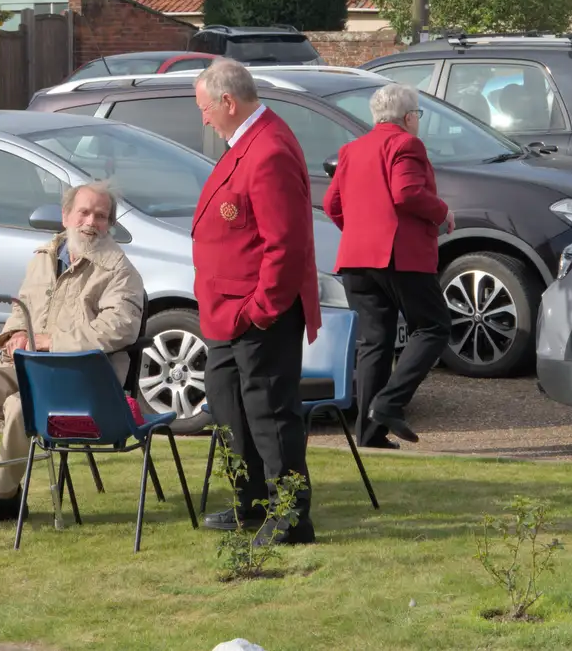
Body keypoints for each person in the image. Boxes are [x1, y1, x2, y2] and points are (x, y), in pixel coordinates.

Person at [0, 182, 145, 538]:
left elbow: (121, 329)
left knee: (22, 407)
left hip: (79, 378)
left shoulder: (120, 271)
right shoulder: (42, 257)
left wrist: (54, 342)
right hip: (25, 364)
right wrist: (13, 336)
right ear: (66, 215)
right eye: (83, 212)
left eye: (101, 216)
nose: (91, 222)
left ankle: (3, 497)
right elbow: (21, 307)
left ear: (109, 225)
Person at [191, 59, 320, 546]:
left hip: (256, 312)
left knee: (269, 412)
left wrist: (261, 310)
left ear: (228, 102)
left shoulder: (267, 149)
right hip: (227, 312)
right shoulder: (244, 141)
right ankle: (251, 503)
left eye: (205, 108)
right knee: (228, 407)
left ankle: (289, 516)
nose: (203, 118)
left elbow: (283, 244)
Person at [323, 84, 455, 448]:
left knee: (373, 343)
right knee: (433, 327)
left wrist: (359, 232)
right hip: (400, 255)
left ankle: (369, 435)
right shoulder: (406, 144)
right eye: (418, 116)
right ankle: (389, 402)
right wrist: (443, 212)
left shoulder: (350, 149)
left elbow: (332, 203)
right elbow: (406, 192)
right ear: (409, 117)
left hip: (356, 259)